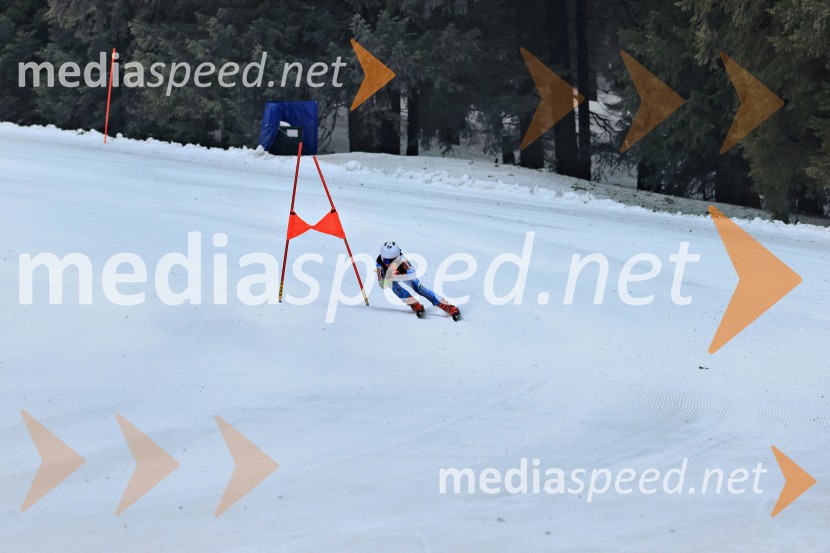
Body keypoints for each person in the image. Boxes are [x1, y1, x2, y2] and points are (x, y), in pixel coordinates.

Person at [376, 241, 460, 319]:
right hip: (390, 276)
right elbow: (382, 285)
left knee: (419, 288)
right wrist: (390, 275)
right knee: (394, 287)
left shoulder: (402, 261)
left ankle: (448, 306)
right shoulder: (380, 264)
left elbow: (412, 274)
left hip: (402, 274)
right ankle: (414, 304)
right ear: (382, 257)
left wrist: (400, 273)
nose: (389, 263)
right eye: (386, 260)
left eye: (393, 260)